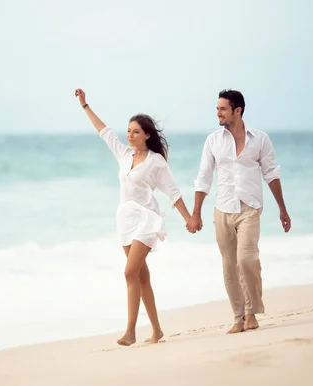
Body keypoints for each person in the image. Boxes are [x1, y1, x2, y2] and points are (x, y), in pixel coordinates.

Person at [74, 88, 192, 346]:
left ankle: (130, 332)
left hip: (147, 219)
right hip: (125, 219)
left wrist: (189, 217)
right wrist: (85, 106)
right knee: (141, 277)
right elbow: (104, 131)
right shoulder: (124, 154)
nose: (129, 134)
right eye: (128, 130)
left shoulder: (156, 161)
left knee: (129, 273)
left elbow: (173, 192)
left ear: (147, 135)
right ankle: (157, 330)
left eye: (135, 131)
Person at [186, 89, 291, 334]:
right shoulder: (213, 141)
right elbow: (203, 178)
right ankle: (238, 316)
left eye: (222, 108)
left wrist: (282, 209)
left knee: (247, 259)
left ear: (237, 111)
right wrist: (196, 213)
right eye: (217, 108)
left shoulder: (260, 139)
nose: (218, 113)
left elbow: (271, 174)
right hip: (223, 208)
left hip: (249, 207)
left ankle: (251, 311)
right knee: (229, 265)